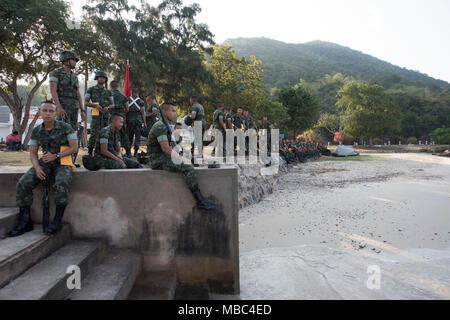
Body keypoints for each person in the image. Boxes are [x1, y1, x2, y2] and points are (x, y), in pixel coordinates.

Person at [8, 101, 78, 237]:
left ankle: (57, 221)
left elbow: (74, 147)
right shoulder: (37, 130)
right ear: (40, 113)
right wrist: (37, 167)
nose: (48, 114)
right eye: (44, 110)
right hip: (45, 162)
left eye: (51, 111)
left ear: (56, 113)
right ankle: (25, 221)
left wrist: (56, 155)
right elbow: (33, 152)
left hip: (63, 161)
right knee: (23, 184)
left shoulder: (66, 127)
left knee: (61, 184)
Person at [147, 103, 220, 211]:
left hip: (164, 157)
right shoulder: (160, 126)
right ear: (165, 112)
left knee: (192, 160)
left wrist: (185, 155)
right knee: (187, 167)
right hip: (157, 160)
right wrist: (181, 159)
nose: (175, 114)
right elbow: (166, 149)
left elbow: (174, 145)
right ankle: (201, 202)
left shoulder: (167, 126)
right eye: (173, 111)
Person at [49, 50, 86, 167]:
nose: (75, 62)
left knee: (72, 134)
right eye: (74, 60)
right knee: (61, 133)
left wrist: (82, 110)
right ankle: (58, 161)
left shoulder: (74, 76)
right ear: (66, 60)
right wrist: (58, 107)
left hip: (73, 109)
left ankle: (70, 161)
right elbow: (53, 91)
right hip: (63, 107)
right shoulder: (56, 73)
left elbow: (78, 94)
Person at [85, 70, 114, 156]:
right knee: (94, 134)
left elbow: (113, 104)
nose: (102, 79)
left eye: (103, 78)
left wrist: (107, 107)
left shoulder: (108, 92)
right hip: (95, 115)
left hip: (105, 115)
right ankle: (90, 151)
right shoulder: (91, 89)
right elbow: (86, 102)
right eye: (100, 77)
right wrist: (95, 105)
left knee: (106, 133)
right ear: (97, 78)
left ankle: (105, 151)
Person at [110, 80, 132, 157]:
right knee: (124, 134)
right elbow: (127, 108)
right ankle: (128, 152)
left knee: (111, 134)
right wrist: (123, 114)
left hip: (111, 117)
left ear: (111, 87)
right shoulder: (123, 97)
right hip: (121, 117)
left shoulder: (109, 95)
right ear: (118, 87)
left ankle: (113, 151)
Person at [127, 87, 146, 157]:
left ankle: (128, 152)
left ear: (132, 92)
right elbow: (143, 113)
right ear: (138, 93)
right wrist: (145, 123)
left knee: (129, 136)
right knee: (137, 137)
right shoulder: (141, 101)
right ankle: (135, 152)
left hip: (130, 121)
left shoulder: (128, 100)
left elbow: (126, 110)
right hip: (138, 121)